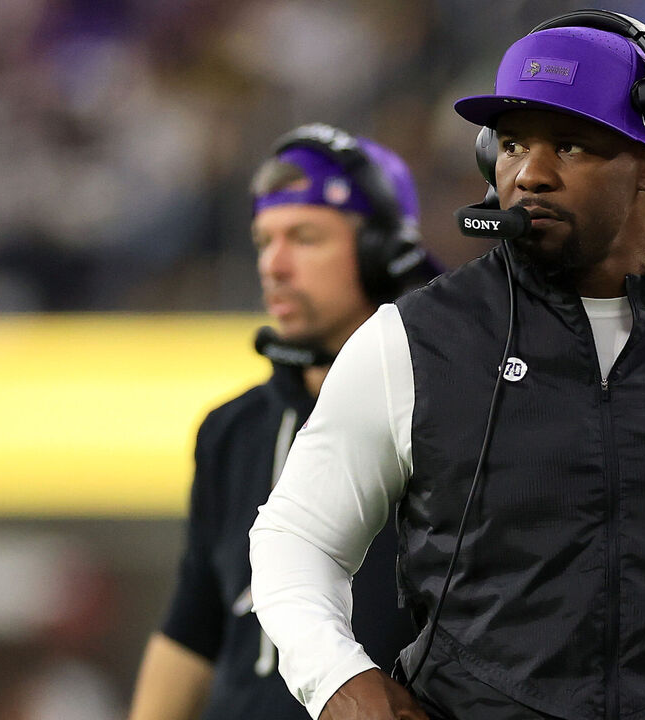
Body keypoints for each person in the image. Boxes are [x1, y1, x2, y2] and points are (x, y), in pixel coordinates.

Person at [249, 11, 645, 720]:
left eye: (570, 146)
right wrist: (337, 679)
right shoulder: (412, 341)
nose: (530, 175)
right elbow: (295, 539)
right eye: (513, 144)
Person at [127, 123, 437, 720]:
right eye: (264, 240)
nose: (274, 265)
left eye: (305, 237)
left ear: (384, 253)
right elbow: (191, 633)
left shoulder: (450, 410)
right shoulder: (231, 429)